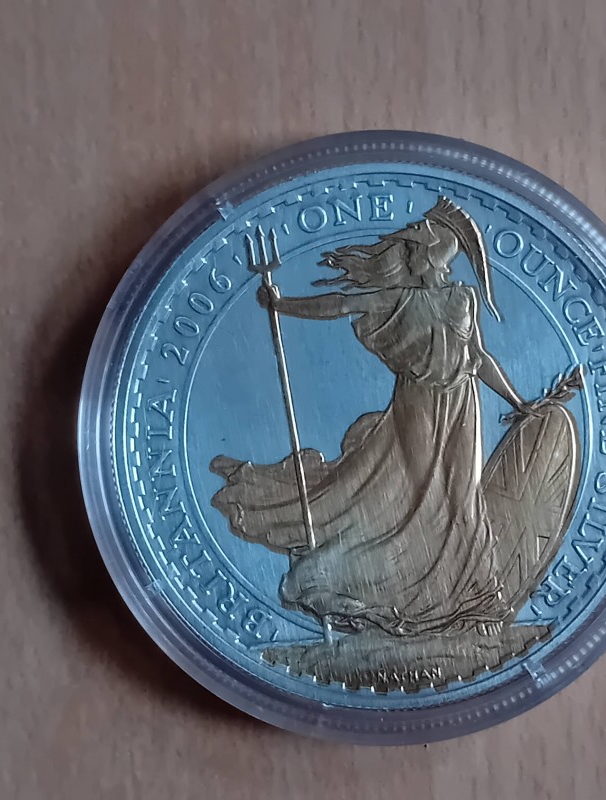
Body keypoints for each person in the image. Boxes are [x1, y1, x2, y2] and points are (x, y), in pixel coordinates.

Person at [210, 197, 533, 638]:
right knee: (420, 497)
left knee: (463, 496)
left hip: (462, 403)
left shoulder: (464, 297)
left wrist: (517, 401)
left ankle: (474, 599)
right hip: (417, 403)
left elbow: (478, 357)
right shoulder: (395, 297)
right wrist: (282, 306)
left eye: (415, 248)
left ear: (434, 253)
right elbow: (339, 304)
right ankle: (404, 590)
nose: (406, 254)